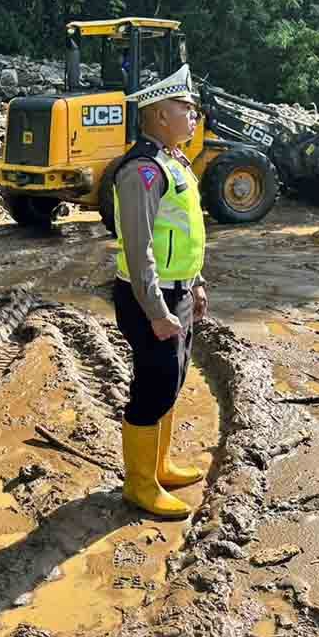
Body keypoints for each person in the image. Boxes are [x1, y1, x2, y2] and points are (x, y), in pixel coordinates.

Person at [111, 63, 208, 520]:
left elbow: (185, 233)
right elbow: (139, 244)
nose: (194, 116)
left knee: (172, 380)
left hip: (178, 292)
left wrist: (195, 285)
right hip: (150, 298)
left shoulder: (174, 162)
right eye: (185, 108)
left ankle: (160, 465)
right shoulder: (143, 170)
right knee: (152, 387)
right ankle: (140, 485)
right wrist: (156, 308)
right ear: (158, 115)